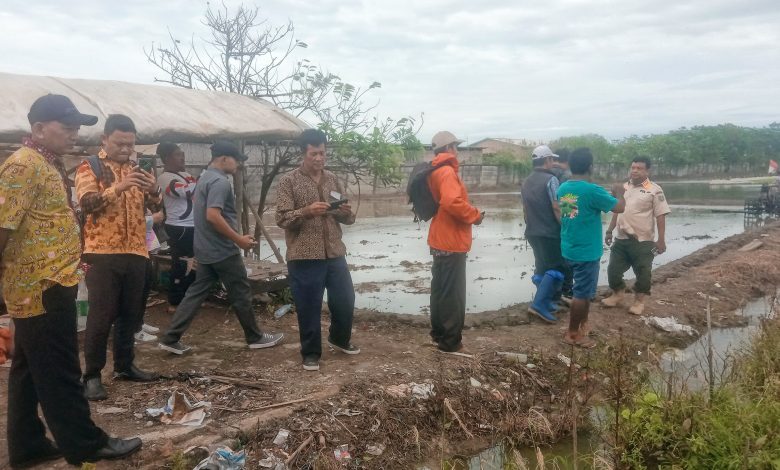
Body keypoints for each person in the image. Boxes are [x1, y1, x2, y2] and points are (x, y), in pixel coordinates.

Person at [1, 94, 141, 467]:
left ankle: (27, 444)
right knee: (61, 370)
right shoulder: (23, 166)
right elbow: (2, 225)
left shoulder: (46, 163)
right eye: (67, 127)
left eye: (77, 128)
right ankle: (85, 444)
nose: (74, 134)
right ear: (38, 128)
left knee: (28, 368)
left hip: (48, 281)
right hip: (40, 286)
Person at [158, 141, 284, 354]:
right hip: (222, 250)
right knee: (241, 292)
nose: (238, 165)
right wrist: (238, 239)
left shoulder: (204, 178)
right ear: (224, 158)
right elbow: (213, 216)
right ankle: (255, 337)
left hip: (205, 248)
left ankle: (171, 338)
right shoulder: (220, 182)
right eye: (236, 160)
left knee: (196, 293)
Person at [75, 114, 161, 400]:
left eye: (130, 144)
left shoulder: (137, 169)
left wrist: (154, 191)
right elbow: (87, 203)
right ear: (104, 139)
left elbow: (154, 207)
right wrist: (119, 187)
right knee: (101, 316)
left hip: (136, 250)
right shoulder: (91, 166)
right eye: (119, 143)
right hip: (102, 253)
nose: (126, 149)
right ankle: (92, 375)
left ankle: (124, 366)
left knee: (131, 314)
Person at [275, 129, 359, 371]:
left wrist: (345, 213)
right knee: (309, 306)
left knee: (345, 299)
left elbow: (348, 218)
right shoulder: (289, 181)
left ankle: (339, 338)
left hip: (334, 251)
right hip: (304, 255)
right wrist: (306, 211)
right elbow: (281, 219)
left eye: (322, 153)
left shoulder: (332, 179)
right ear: (303, 153)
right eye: (314, 154)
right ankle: (311, 353)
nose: (319, 158)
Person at [557, 147, 625, 348]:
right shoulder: (593, 190)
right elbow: (620, 207)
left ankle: (582, 325)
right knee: (581, 294)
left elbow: (570, 215)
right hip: (586, 252)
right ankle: (572, 334)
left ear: (570, 166)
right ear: (590, 167)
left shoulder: (564, 188)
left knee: (583, 292)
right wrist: (620, 193)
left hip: (570, 248)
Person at [426, 131, 484, 353]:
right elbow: (451, 202)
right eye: (456, 147)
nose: (457, 151)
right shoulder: (447, 172)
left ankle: (439, 334)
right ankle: (450, 343)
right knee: (453, 294)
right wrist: (475, 215)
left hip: (439, 237)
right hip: (451, 240)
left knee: (440, 289)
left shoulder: (435, 171)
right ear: (449, 148)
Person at [602, 157, 671, 315]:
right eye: (633, 167)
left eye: (639, 168)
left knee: (643, 273)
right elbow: (617, 211)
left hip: (643, 241)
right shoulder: (624, 188)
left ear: (647, 171)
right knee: (613, 269)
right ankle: (618, 294)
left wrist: (661, 240)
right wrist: (609, 230)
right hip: (621, 239)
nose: (634, 171)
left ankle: (639, 301)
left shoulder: (654, 190)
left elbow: (660, 215)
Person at [521, 145, 568, 323]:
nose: (553, 162)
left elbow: (525, 209)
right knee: (557, 267)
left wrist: (530, 226)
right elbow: (557, 207)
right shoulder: (551, 179)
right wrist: (565, 227)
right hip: (549, 232)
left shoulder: (526, 181)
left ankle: (546, 302)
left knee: (541, 267)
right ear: (547, 160)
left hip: (532, 231)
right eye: (552, 159)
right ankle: (539, 304)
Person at [156, 142, 197, 312]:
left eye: (182, 154)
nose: (182, 158)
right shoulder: (164, 178)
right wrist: (205, 178)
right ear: (167, 158)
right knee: (180, 263)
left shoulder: (186, 174)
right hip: (178, 227)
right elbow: (185, 191)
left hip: (193, 225)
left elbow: (197, 190)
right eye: (178, 154)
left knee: (194, 263)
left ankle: (189, 298)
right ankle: (175, 301)